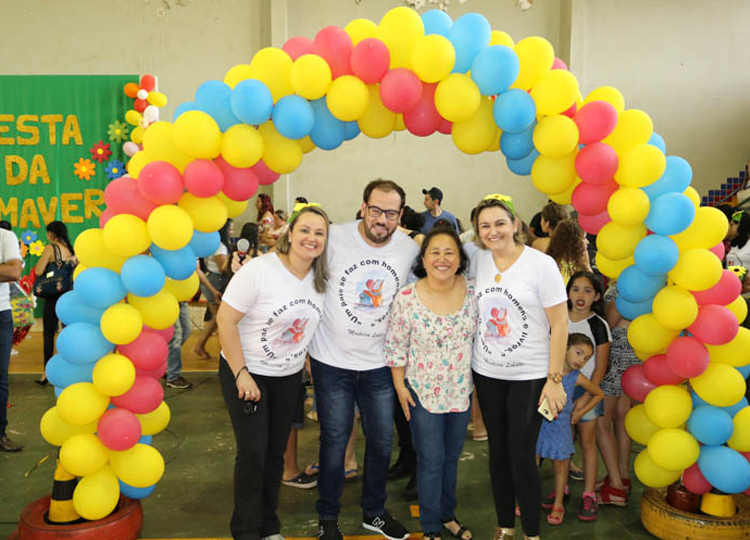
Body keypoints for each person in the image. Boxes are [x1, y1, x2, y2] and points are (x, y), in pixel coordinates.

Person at [308, 179, 419, 540]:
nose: (381, 220)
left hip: (380, 365)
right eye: (376, 211)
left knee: (383, 441)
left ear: (400, 215)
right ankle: (328, 518)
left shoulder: (408, 249)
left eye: (390, 213)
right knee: (335, 440)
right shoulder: (334, 237)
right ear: (363, 207)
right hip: (332, 362)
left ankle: (374, 512)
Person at [216, 203, 330, 540]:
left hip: (288, 376)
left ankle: (268, 525)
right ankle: (246, 530)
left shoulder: (320, 279)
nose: (312, 238)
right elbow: (225, 319)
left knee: (275, 453)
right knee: (252, 453)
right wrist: (241, 373)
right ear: (290, 232)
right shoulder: (260, 271)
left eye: (320, 233)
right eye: (305, 230)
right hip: (247, 372)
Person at [469, 194, 568, 540]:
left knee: (522, 455)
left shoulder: (541, 265)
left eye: (499, 223)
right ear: (477, 231)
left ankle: (531, 533)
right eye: (485, 226)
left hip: (530, 375)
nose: (493, 231)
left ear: (515, 224)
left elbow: (561, 324)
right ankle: (504, 527)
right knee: (497, 451)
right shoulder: (477, 261)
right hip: (487, 372)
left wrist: (554, 381)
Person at [386, 226, 478, 540]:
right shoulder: (407, 298)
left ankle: (447, 515)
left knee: (451, 459)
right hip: (421, 393)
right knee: (430, 459)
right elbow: (395, 347)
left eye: (449, 252)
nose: (442, 258)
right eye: (434, 252)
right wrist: (400, 388)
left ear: (460, 258)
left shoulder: (472, 291)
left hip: (460, 392)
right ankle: (429, 527)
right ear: (423, 259)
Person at [536, 334, 603, 526]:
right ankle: (528, 500)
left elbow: (598, 393)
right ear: (564, 348)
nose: (581, 360)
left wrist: (580, 412)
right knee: (533, 464)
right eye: (579, 353)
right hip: (539, 425)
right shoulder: (546, 369)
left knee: (560, 466)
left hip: (560, 427)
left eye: (586, 358)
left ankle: (558, 503)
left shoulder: (577, 378)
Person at [565, 271, 611, 521]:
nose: (580, 296)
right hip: (560, 390)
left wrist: (583, 399)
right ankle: (560, 488)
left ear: (596, 296)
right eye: (575, 289)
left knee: (587, 442)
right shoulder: (558, 317)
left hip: (588, 392)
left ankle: (589, 494)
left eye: (587, 291)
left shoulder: (599, 325)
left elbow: (600, 367)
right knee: (562, 442)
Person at [595, 281, 638, 506]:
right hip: (636, 354)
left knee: (601, 422)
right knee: (622, 416)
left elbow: (609, 324)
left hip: (617, 355)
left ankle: (616, 488)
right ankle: (622, 477)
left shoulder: (626, 284)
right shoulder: (653, 281)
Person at [33, 221, 76, 386]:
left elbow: (38, 271)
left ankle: (47, 372)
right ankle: (70, 370)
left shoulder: (51, 248)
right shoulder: (71, 250)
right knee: (67, 334)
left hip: (53, 296)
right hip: (69, 297)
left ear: (51, 233)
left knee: (49, 334)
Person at [193, 219, 232, 359]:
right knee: (221, 319)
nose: (231, 232)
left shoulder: (211, 244)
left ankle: (200, 346)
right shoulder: (220, 247)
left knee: (217, 318)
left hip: (210, 280)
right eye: (230, 229)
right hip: (216, 282)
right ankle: (223, 353)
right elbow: (223, 268)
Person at [0, 226, 22, 451]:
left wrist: (7, 270)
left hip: (0, 314)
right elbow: (6, 271)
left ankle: (0, 434)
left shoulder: (5, 237)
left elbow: (14, 272)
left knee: (0, 380)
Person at [546, 220, 592, 284]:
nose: (587, 242)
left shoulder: (552, 261)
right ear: (574, 241)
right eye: (584, 238)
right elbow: (592, 284)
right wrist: (586, 266)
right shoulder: (561, 266)